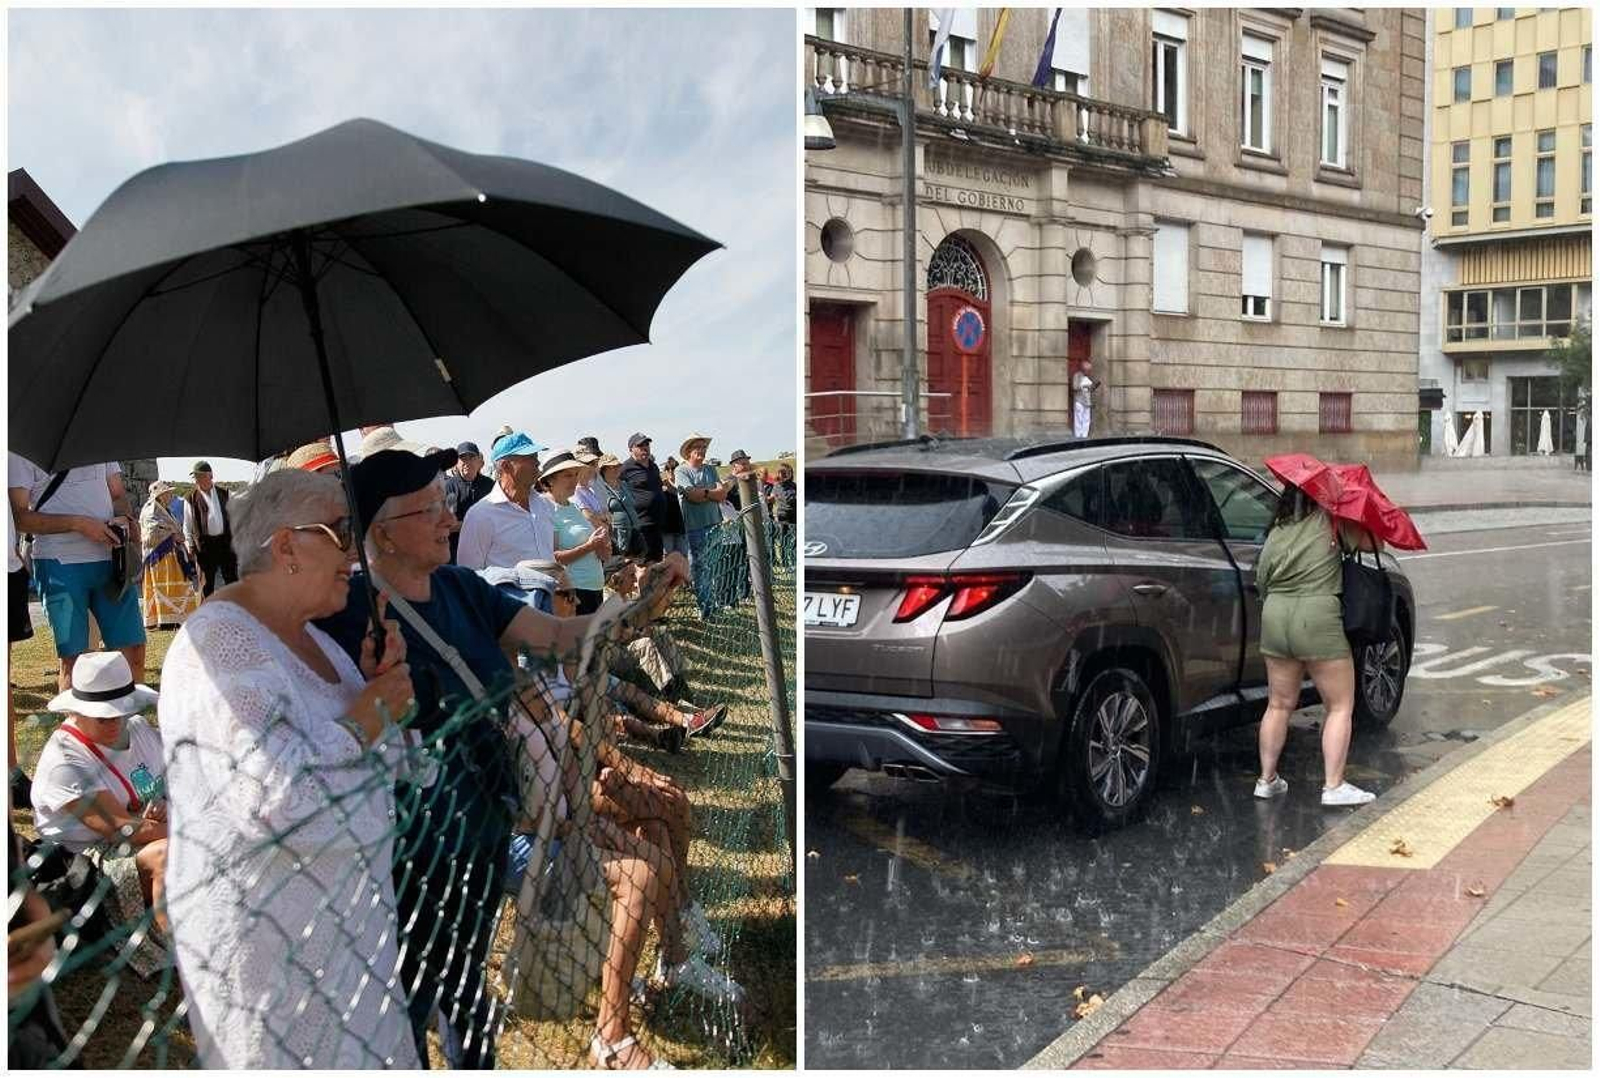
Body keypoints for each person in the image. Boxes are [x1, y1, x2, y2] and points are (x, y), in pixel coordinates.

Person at [314, 449, 691, 1068]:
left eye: (445, 503)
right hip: (412, 852)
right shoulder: (344, 612)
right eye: (429, 509)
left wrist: (642, 606)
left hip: (491, 822)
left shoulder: (461, 588)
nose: (450, 519)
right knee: (405, 1014)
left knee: (467, 1005)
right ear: (381, 531)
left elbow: (559, 638)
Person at [159, 469, 421, 1068]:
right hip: (276, 960)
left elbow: (387, 767)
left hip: (352, 941)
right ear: (285, 547)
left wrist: (378, 695)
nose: (353, 554)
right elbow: (272, 798)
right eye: (340, 533)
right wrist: (363, 721)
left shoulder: (318, 643)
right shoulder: (220, 645)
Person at [1253, 486, 1382, 808]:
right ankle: (1333, 785)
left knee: (1278, 705)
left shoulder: (1278, 529)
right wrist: (1365, 516)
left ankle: (1266, 780)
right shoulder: (1332, 521)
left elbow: (1261, 580)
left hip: (1275, 616)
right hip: (1317, 617)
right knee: (1339, 706)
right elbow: (1376, 544)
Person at [30, 651, 168, 937]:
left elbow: (180, 783)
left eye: (120, 712)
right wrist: (190, 827)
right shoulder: (65, 760)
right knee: (169, 854)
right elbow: (122, 829)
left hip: (148, 836)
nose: (115, 723)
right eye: (103, 718)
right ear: (77, 711)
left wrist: (166, 807)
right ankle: (176, 949)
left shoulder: (139, 730)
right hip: (86, 865)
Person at [9, 453, 147, 691]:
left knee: (133, 651)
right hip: (58, 564)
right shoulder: (23, 451)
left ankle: (130, 714)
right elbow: (20, 517)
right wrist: (78, 524)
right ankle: (74, 715)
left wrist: (125, 518)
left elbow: (117, 495)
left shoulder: (99, 441)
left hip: (111, 559)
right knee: (74, 661)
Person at [456, 431, 554, 571]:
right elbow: (469, 574)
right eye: (530, 457)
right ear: (506, 466)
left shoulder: (545, 505)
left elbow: (549, 556)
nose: (537, 462)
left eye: (536, 457)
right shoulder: (480, 515)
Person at [542, 452, 612, 614]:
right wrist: (590, 546)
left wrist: (603, 548)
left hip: (594, 586)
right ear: (550, 480)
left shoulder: (573, 506)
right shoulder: (545, 508)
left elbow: (598, 551)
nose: (574, 480)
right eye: (568, 475)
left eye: (575, 474)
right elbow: (553, 558)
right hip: (572, 592)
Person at [675, 435, 735, 615]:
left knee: (715, 564)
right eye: (698, 447)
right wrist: (710, 493)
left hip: (714, 523)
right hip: (695, 527)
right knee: (701, 567)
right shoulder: (681, 471)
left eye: (703, 447)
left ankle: (716, 601)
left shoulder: (710, 469)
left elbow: (722, 494)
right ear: (688, 451)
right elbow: (691, 495)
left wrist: (704, 493)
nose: (702, 451)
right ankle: (706, 607)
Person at [138, 480, 201, 629]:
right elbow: (150, 534)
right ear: (160, 495)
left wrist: (177, 537)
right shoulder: (150, 510)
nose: (170, 496)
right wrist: (172, 536)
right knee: (164, 586)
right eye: (167, 493)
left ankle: (175, 617)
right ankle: (164, 619)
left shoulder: (166, 509)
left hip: (172, 554)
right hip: (159, 556)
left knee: (175, 585)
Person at [183, 461, 238, 597]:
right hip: (204, 546)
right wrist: (189, 545)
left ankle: (234, 605)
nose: (197, 480)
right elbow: (187, 525)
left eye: (200, 476)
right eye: (195, 477)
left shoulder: (225, 493)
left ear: (210, 475)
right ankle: (208, 608)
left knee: (232, 578)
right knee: (206, 584)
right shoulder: (190, 498)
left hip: (225, 542)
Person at [618, 433, 666, 564]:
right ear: (631, 449)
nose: (645, 448)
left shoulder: (653, 466)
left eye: (647, 444)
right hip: (641, 524)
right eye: (640, 445)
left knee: (657, 563)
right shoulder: (625, 468)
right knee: (642, 565)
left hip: (657, 523)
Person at [443, 441, 494, 563]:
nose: (467, 462)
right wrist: (473, 524)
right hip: (456, 553)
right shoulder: (449, 487)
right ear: (456, 463)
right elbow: (446, 525)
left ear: (479, 461)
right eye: (463, 458)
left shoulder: (490, 485)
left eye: (471, 457)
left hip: (486, 552)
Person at [598, 453, 646, 562]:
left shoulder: (624, 484)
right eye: (613, 467)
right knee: (622, 565)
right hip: (617, 536)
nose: (617, 468)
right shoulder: (601, 489)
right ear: (604, 469)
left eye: (618, 466)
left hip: (634, 532)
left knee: (639, 564)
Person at [658, 455, 689, 561]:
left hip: (681, 526)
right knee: (668, 557)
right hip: (666, 527)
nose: (671, 471)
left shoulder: (682, 485)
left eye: (673, 469)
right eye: (668, 469)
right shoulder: (661, 486)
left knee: (683, 556)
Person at [1072, 359, 1098, 439]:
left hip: (1087, 401)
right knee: (1078, 419)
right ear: (1083, 369)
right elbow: (1075, 387)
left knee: (1087, 419)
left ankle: (1084, 436)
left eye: (1089, 370)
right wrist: (1084, 386)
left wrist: (1093, 387)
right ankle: (1078, 436)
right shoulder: (1077, 375)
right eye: (1087, 370)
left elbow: (1092, 389)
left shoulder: (1089, 377)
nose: (1088, 371)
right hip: (1079, 400)